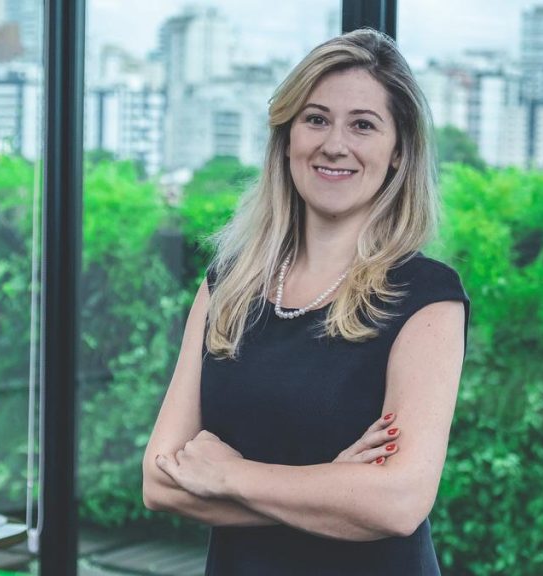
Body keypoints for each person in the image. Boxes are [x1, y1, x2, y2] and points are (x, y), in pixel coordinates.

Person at [142, 28, 469, 575]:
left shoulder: (427, 297)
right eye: (316, 119)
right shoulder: (228, 284)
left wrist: (229, 476)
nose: (335, 144)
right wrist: (334, 486)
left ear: (398, 152)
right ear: (287, 137)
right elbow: (159, 481)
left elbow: (398, 503)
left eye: (363, 125)